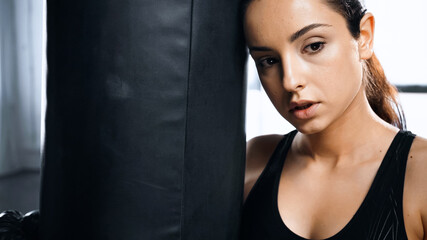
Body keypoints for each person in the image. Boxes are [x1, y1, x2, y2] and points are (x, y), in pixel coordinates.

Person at [241, 0, 427, 239]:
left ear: (365, 37)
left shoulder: (421, 175)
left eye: (314, 46)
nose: (289, 81)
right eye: (268, 60)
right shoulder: (252, 162)